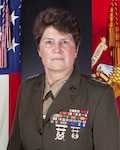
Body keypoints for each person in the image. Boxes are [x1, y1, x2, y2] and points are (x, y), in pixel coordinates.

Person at [7, 7, 119, 150]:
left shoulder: (99, 96)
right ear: (39, 50)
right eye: (49, 42)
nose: (57, 48)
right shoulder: (27, 89)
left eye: (65, 41)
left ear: (76, 49)